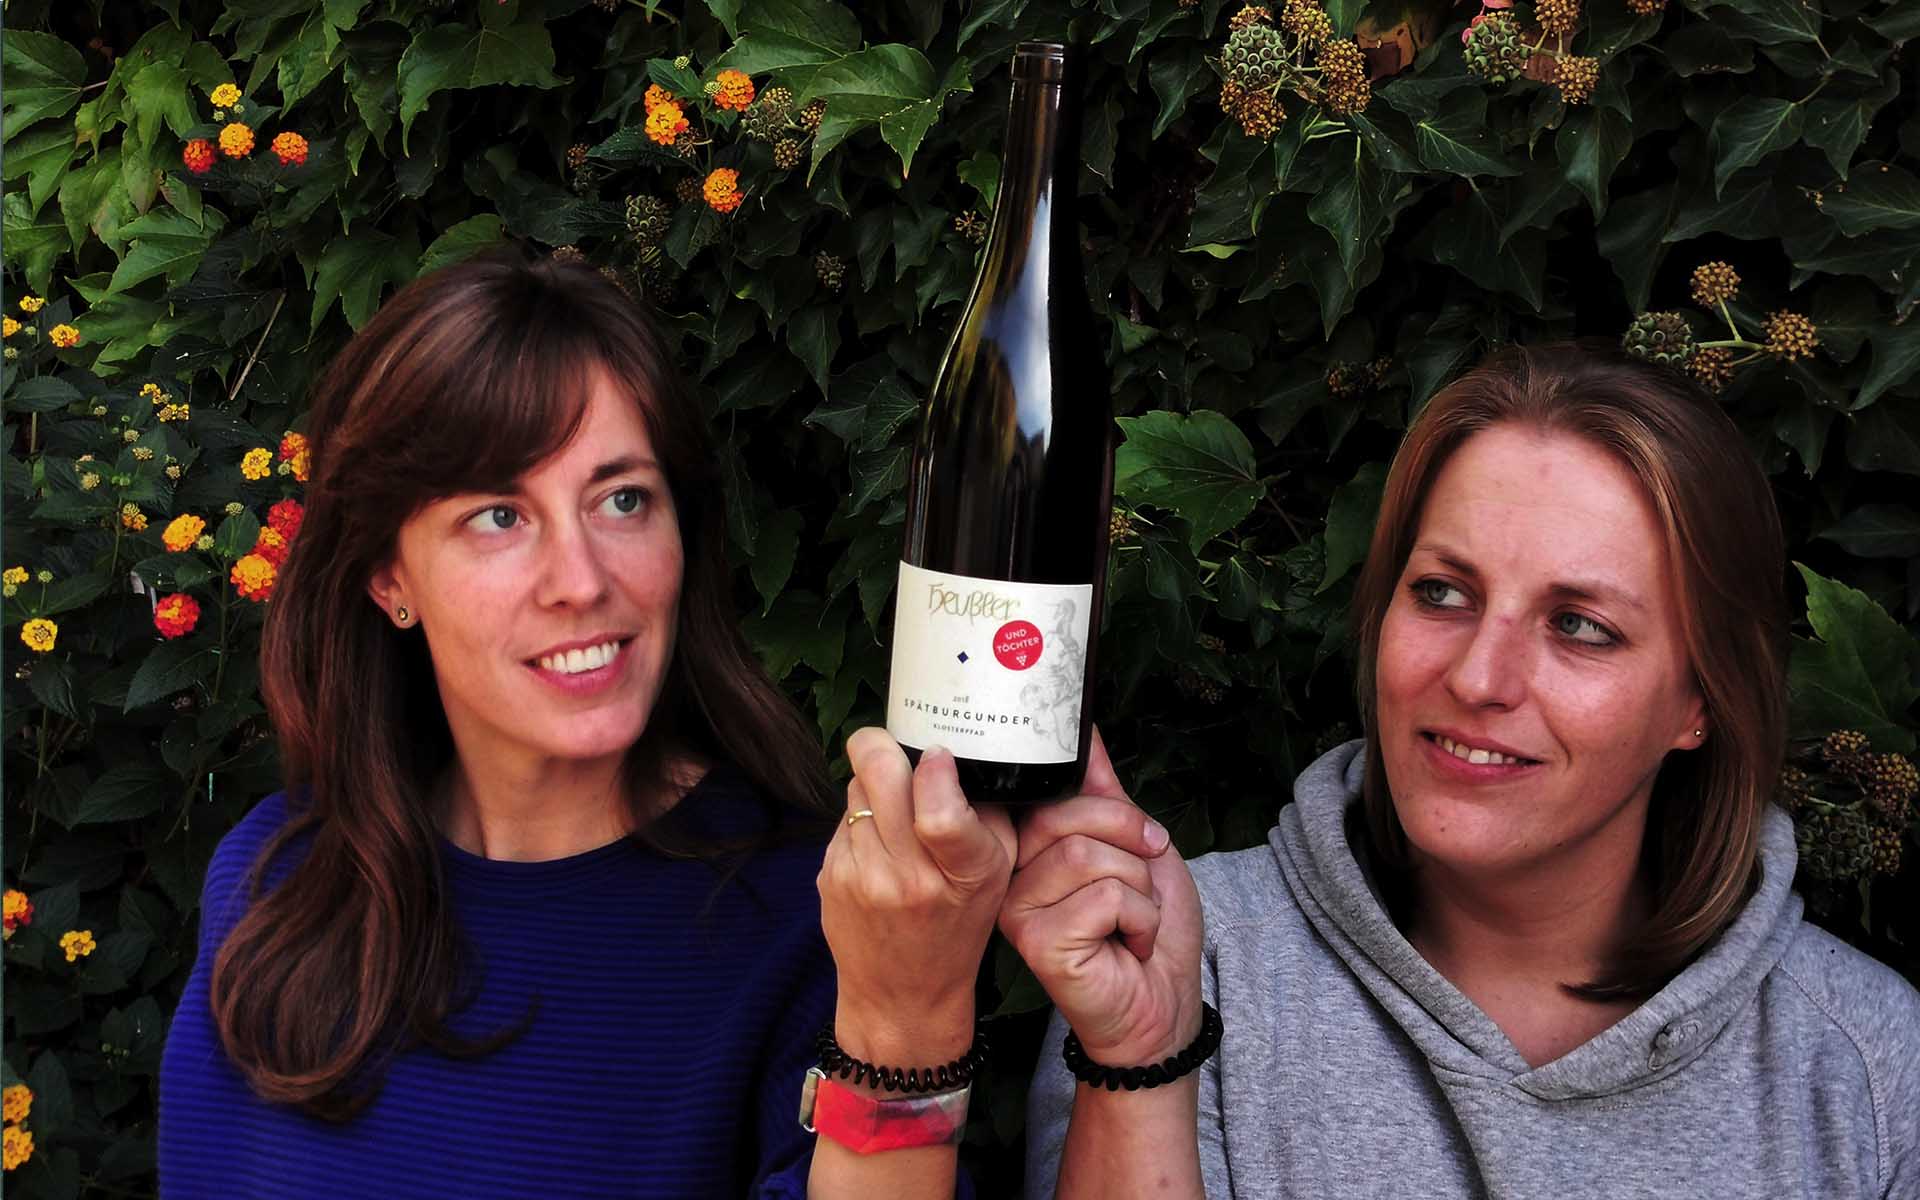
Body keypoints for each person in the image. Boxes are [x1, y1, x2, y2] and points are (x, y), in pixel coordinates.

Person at [847, 342, 1920, 1199]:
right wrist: (1141, 1058)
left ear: (1700, 701)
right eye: (1443, 593)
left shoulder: (1868, 1070)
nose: (1481, 676)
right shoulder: (1189, 962)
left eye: (1581, 625)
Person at [158, 253, 979, 1198]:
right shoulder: (273, 880)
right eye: (499, 516)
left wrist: (905, 1032)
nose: (583, 580)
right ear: (389, 577)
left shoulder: (820, 917)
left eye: (622, 499)